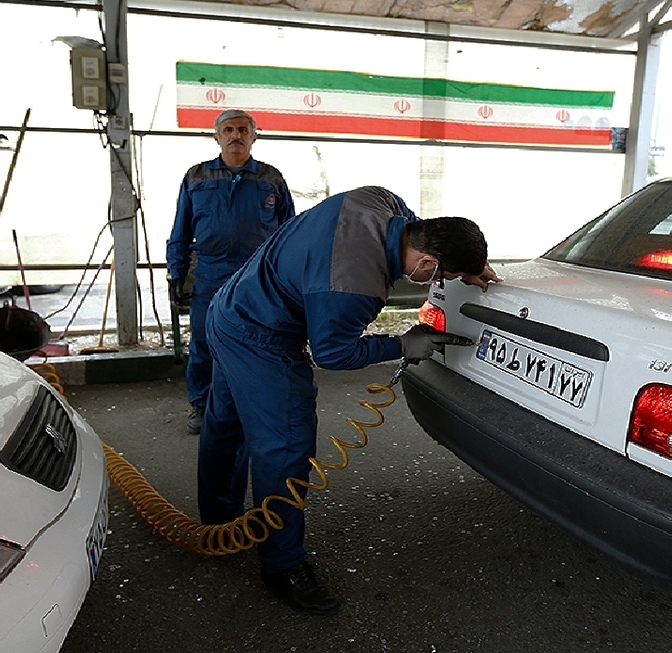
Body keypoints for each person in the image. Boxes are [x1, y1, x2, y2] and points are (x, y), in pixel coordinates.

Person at [198, 185, 499, 615]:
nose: (437, 283)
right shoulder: (354, 285)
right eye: (441, 276)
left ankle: (219, 525)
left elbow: (425, 235)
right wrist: (402, 345)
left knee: (225, 424)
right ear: (429, 261)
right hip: (263, 337)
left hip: (231, 305)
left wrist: (467, 264)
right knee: (284, 447)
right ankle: (281, 565)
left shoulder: (378, 199)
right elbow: (334, 353)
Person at [166, 109, 295, 435]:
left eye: (242, 129)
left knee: (261, 342)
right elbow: (180, 230)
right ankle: (202, 406)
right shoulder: (196, 177)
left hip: (258, 277)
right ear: (217, 136)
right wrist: (175, 273)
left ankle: (255, 406)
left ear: (253, 135)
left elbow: (289, 234)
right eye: (228, 129)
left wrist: (289, 278)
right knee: (205, 342)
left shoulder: (271, 178)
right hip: (210, 274)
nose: (235, 135)